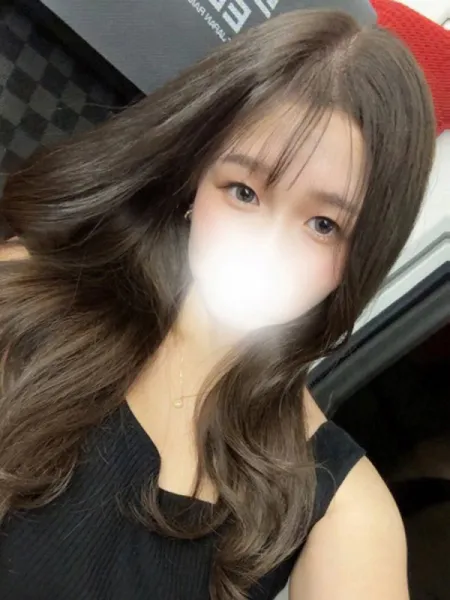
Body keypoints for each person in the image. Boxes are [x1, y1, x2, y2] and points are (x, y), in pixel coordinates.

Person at [0, 9, 436, 600]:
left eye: (323, 224)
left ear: (364, 255)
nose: (267, 249)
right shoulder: (27, 294)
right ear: (196, 178)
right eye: (245, 192)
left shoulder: (339, 506)